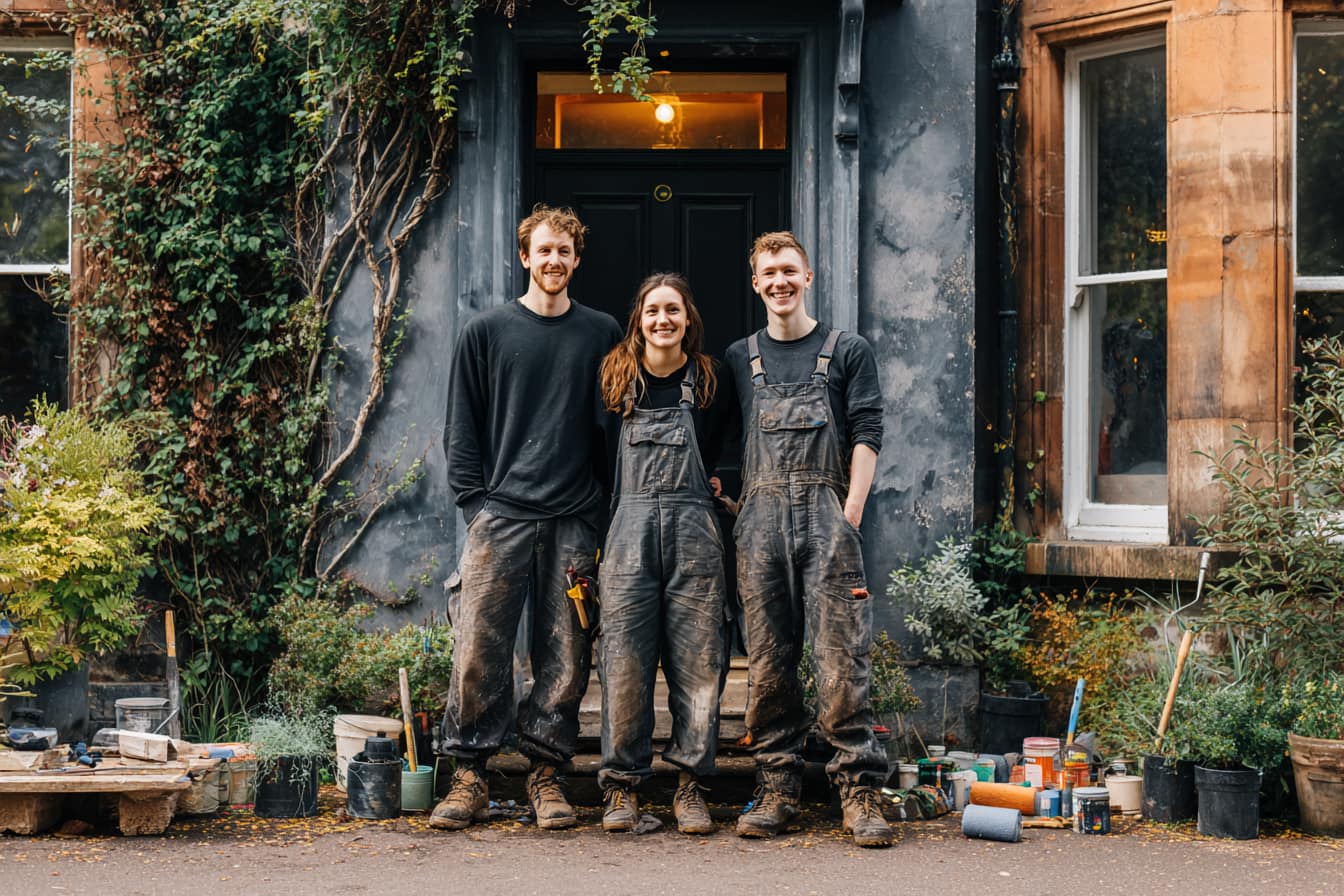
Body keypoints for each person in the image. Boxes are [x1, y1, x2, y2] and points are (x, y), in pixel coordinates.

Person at [433, 204, 622, 832]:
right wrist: (474, 508)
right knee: (479, 649)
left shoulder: (601, 332)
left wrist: (601, 512)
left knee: (565, 654)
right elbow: (461, 429)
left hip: (573, 520)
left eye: (565, 252)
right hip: (501, 517)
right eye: (544, 250)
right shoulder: (484, 332)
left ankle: (546, 775)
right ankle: (470, 778)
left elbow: (614, 431)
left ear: (577, 259)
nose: (554, 261)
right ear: (525, 256)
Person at [720, 231, 892, 848]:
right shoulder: (740, 358)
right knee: (768, 662)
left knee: (841, 661)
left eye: (789, 270)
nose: (780, 282)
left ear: (809, 275)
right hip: (760, 525)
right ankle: (776, 788)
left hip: (829, 521)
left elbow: (869, 429)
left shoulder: (846, 351)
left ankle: (858, 792)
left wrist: (850, 510)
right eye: (769, 272)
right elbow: (721, 443)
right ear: (756, 280)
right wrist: (732, 505)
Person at [594, 273, 735, 835]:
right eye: (653, 310)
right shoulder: (613, 379)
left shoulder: (708, 380)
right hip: (627, 535)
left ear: (688, 318)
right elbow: (597, 454)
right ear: (639, 319)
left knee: (699, 666)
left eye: (673, 310)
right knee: (624, 666)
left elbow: (728, 443)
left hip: (695, 536)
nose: (663, 320)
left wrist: (721, 479)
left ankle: (690, 787)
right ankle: (623, 790)